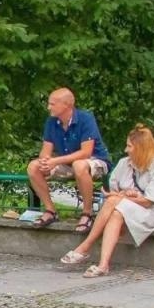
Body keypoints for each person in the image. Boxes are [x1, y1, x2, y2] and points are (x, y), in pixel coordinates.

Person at [61, 125, 154, 277]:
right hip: (123, 207)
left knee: (114, 202)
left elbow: (148, 201)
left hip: (151, 211)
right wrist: (125, 194)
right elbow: (111, 190)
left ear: (141, 148)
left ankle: (85, 246)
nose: (126, 150)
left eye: (129, 146)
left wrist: (121, 197)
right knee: (116, 213)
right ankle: (103, 265)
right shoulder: (124, 163)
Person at [26, 87, 111, 232]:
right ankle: (50, 210)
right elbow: (45, 152)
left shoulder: (85, 119)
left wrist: (55, 161)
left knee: (79, 165)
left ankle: (87, 213)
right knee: (33, 167)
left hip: (95, 161)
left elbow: (86, 153)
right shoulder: (51, 122)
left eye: (52, 104)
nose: (48, 107)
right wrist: (45, 162)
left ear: (66, 105)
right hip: (67, 164)